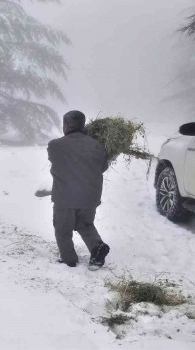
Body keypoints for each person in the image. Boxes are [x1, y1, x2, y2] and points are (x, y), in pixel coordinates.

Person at [47, 110, 110, 270]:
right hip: (91, 197)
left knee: (63, 228)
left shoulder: (55, 145)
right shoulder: (98, 146)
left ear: (66, 126)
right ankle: (97, 248)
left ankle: (69, 259)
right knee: (85, 224)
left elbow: (55, 160)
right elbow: (102, 167)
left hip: (65, 197)